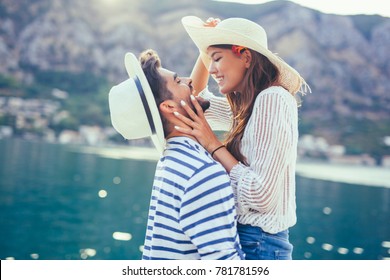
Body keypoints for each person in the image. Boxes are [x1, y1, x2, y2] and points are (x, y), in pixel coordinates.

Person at [173, 16, 310, 260]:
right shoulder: (249, 107)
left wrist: (212, 145)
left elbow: (261, 195)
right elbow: (192, 102)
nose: (212, 68)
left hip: (259, 244)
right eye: (210, 60)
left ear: (245, 57)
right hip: (245, 239)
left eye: (217, 59)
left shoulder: (272, 99)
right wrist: (206, 47)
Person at [108, 49, 244, 260]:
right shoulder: (202, 173)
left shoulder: (170, 162)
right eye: (178, 80)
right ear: (169, 106)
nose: (190, 80)